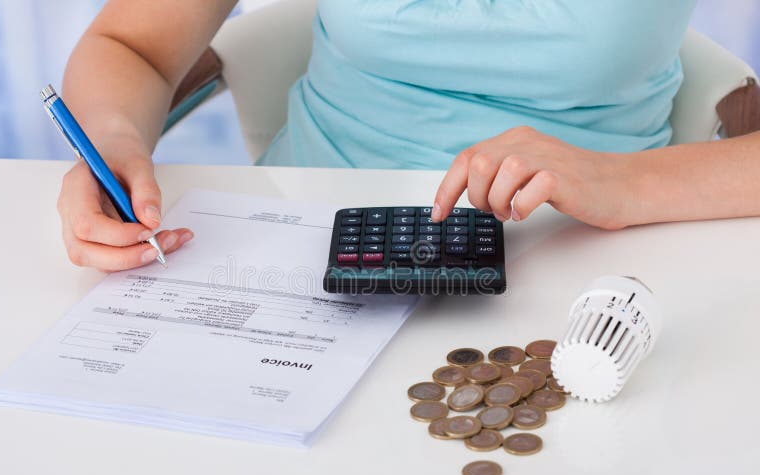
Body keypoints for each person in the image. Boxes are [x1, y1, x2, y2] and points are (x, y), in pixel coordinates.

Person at [57, 0, 760, 272]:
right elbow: (133, 44)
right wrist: (113, 136)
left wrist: (623, 181)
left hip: (588, 266)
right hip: (300, 249)